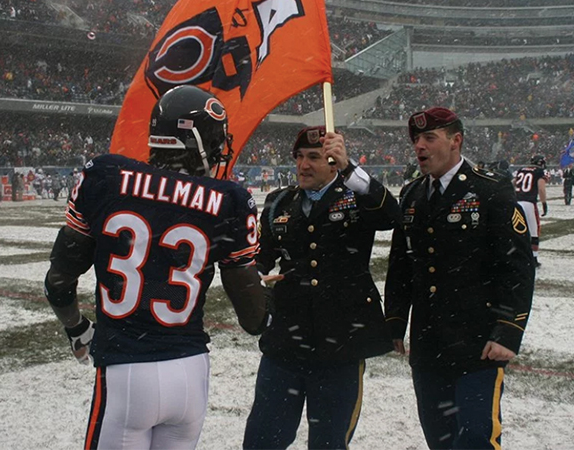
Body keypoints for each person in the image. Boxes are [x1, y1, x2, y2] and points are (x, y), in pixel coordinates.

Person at [44, 85, 269, 450]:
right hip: (190, 372)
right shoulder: (229, 200)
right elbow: (253, 319)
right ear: (198, 141)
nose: (219, 150)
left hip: (127, 372)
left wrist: (77, 328)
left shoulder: (105, 176)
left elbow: (58, 281)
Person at [385, 107, 535, 450]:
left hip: (477, 344)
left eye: (429, 137)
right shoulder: (411, 194)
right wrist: (395, 321)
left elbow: (517, 266)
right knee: (440, 439)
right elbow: (401, 264)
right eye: (416, 139)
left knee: (476, 439)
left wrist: (508, 330)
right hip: (428, 344)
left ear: (456, 141)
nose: (419, 146)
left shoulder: (490, 189)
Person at [243, 126, 401, 450]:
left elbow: (392, 216)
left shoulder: (356, 198)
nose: (303, 165)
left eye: (314, 157)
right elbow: (261, 254)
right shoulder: (279, 202)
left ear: (333, 163)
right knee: (262, 438)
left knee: (329, 443)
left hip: (341, 344)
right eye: (299, 157)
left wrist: (350, 169)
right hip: (286, 341)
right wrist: (254, 277)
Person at [514, 154, 549, 267]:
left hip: (517, 202)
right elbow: (541, 188)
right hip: (529, 203)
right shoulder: (539, 172)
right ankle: (534, 258)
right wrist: (544, 203)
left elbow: (513, 183)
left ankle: (517, 255)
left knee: (518, 231)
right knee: (534, 232)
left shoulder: (521, 170)